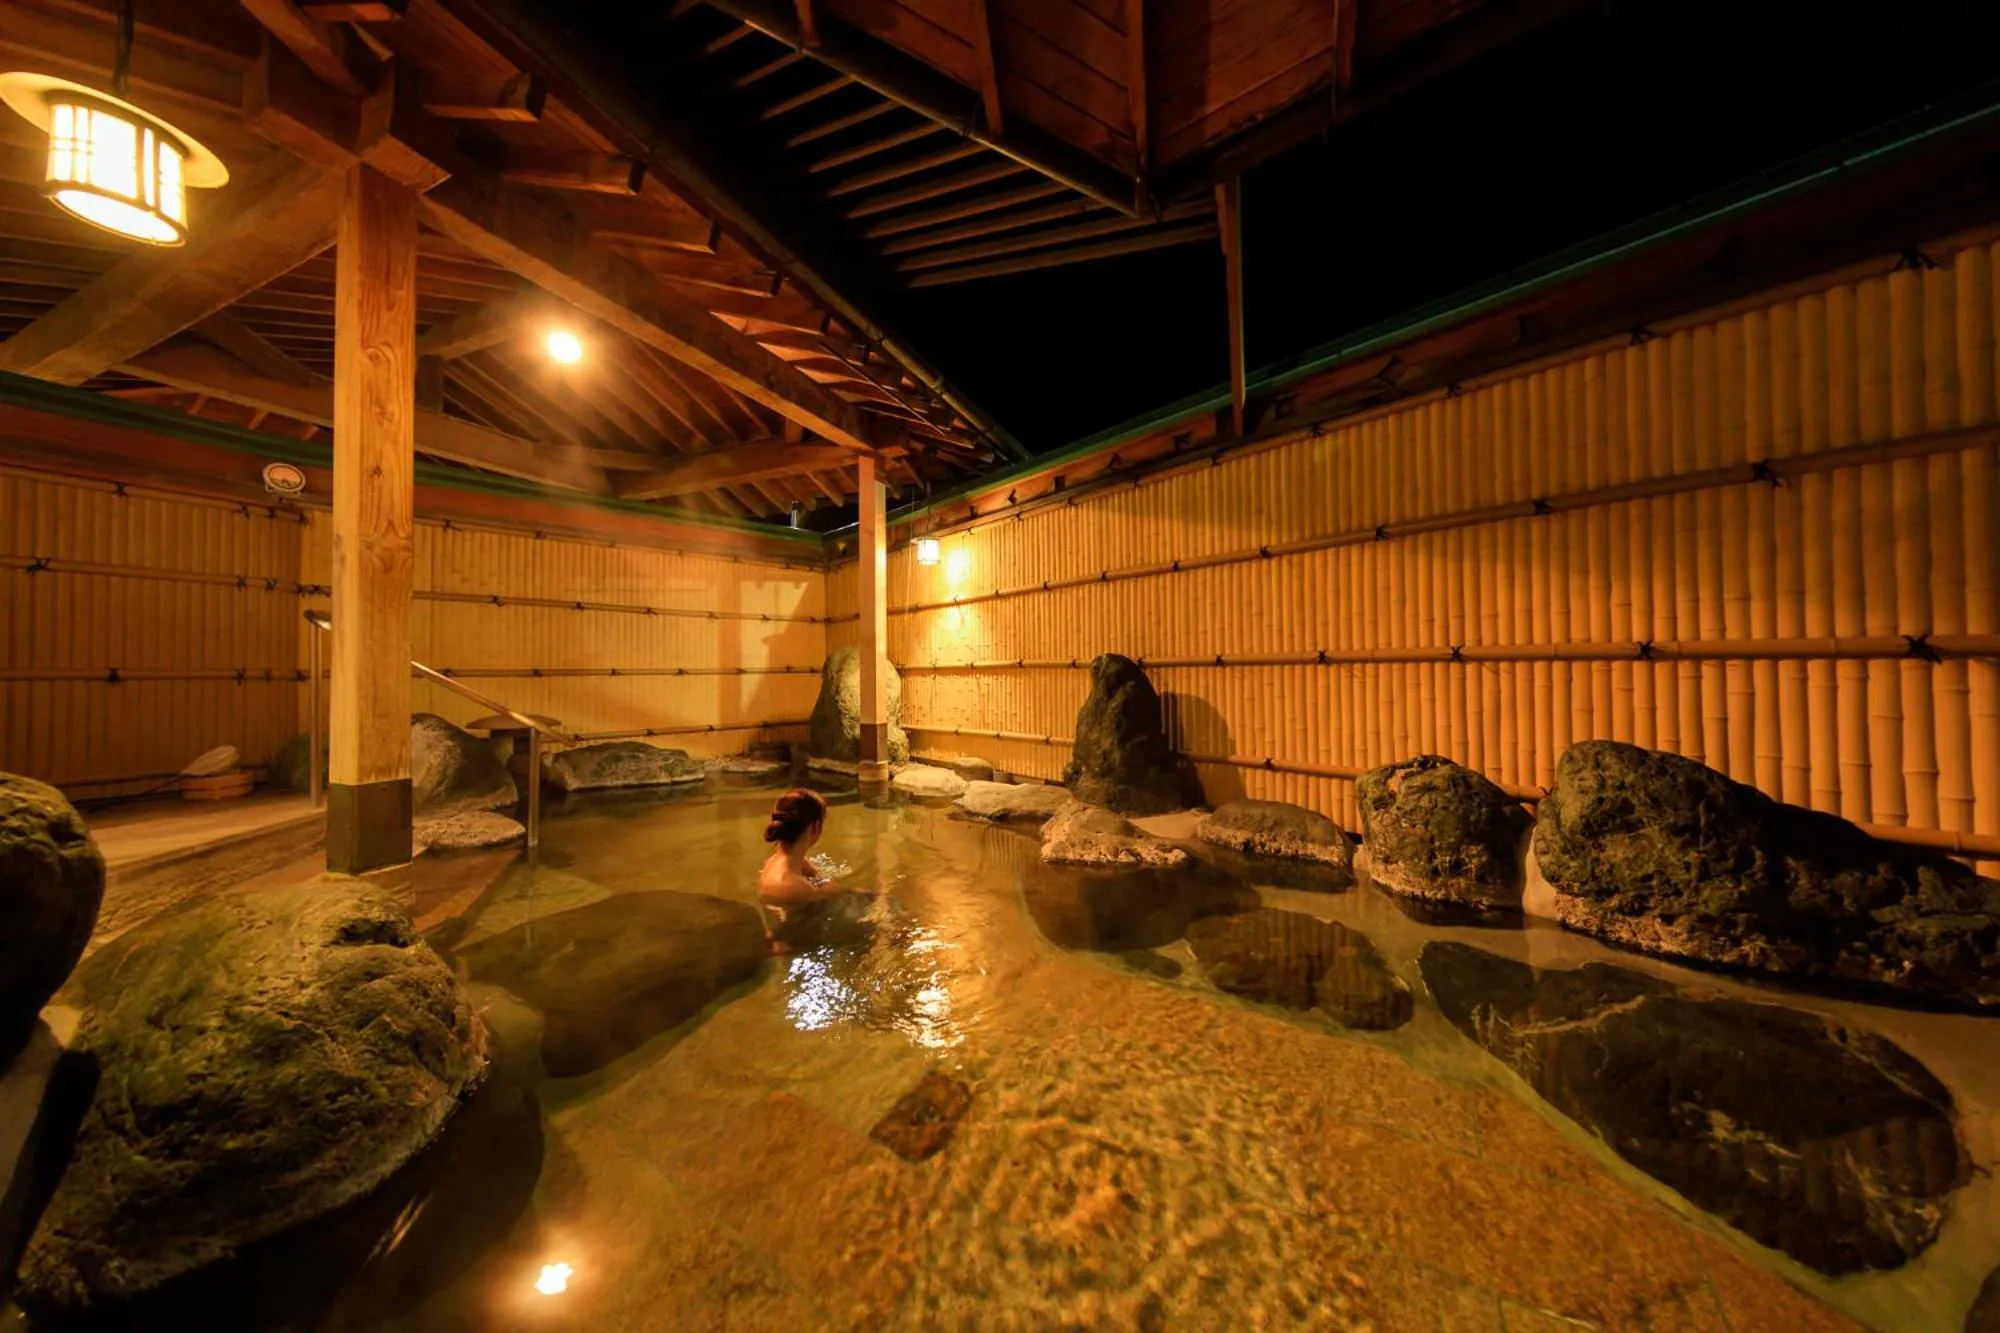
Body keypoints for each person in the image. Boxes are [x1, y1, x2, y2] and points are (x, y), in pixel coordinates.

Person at [758, 788, 839, 952]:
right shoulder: (794, 885)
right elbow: (834, 893)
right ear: (815, 828)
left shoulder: (776, 862)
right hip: (786, 950)